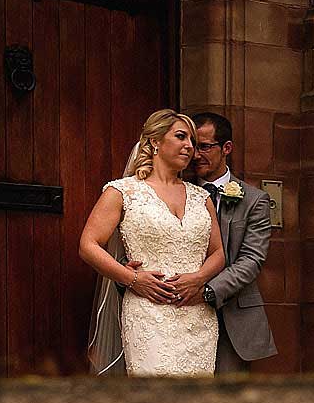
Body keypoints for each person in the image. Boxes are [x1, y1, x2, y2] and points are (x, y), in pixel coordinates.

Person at [80, 109, 226, 376]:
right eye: (181, 137)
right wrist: (132, 279)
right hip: (148, 312)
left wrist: (198, 278)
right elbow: (88, 245)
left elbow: (218, 252)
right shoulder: (122, 191)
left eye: (192, 141)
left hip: (197, 314)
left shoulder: (200, 197)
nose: (190, 147)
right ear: (155, 141)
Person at [186, 110, 278, 373]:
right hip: (179, 311)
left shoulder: (254, 200)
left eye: (204, 147)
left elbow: (252, 260)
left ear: (226, 148)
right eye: (193, 146)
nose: (195, 155)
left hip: (231, 315)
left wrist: (206, 292)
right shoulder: (178, 191)